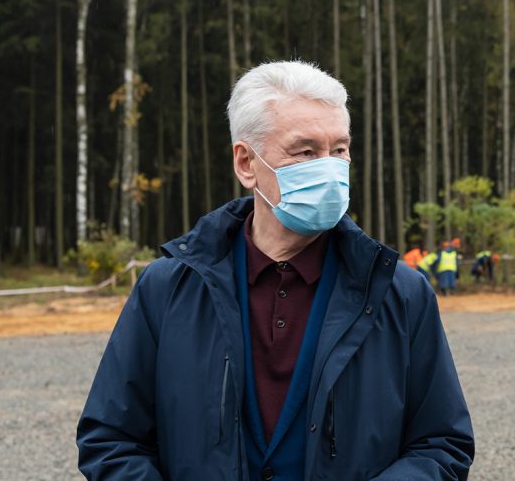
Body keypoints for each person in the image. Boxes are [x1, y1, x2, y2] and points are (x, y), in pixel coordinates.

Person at [76, 61, 473, 481]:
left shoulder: (399, 291)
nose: (330, 169)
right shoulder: (167, 288)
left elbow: (441, 444)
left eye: (339, 149)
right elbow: (111, 440)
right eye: (306, 152)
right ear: (246, 163)